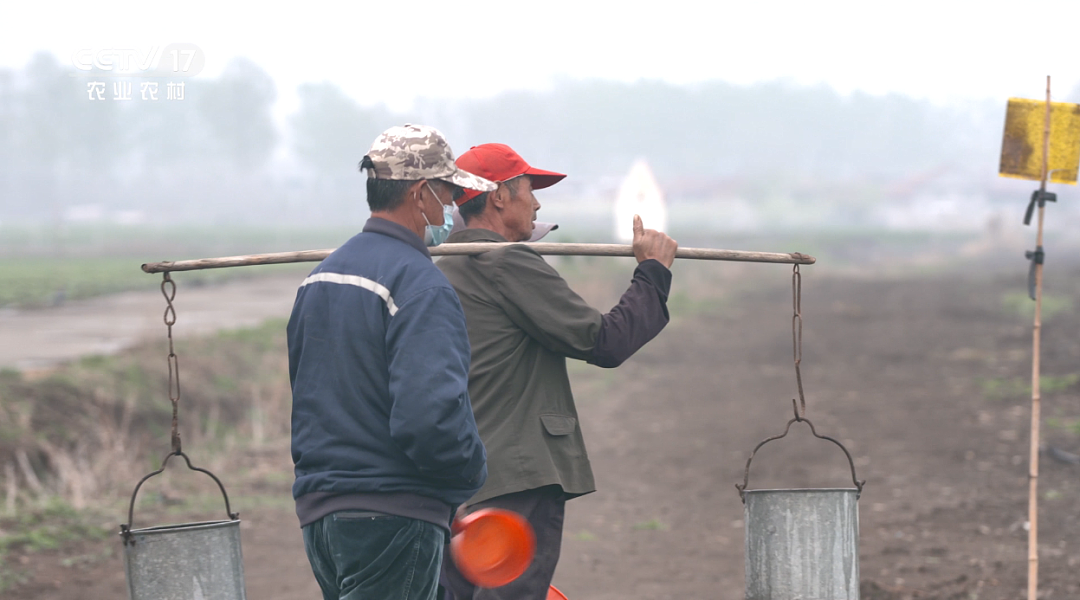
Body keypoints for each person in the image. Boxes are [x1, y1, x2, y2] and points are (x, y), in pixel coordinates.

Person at [437, 143, 678, 599]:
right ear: (499, 197)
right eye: (530, 189)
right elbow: (605, 342)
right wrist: (652, 274)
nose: (538, 202)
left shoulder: (440, 267)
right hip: (517, 473)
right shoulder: (506, 262)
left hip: (458, 477)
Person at [288, 124, 496, 600]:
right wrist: (469, 476)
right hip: (393, 513)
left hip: (322, 516)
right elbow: (430, 419)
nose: (453, 210)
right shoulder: (419, 284)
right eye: (448, 194)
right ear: (421, 195)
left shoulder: (320, 277)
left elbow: (312, 399)